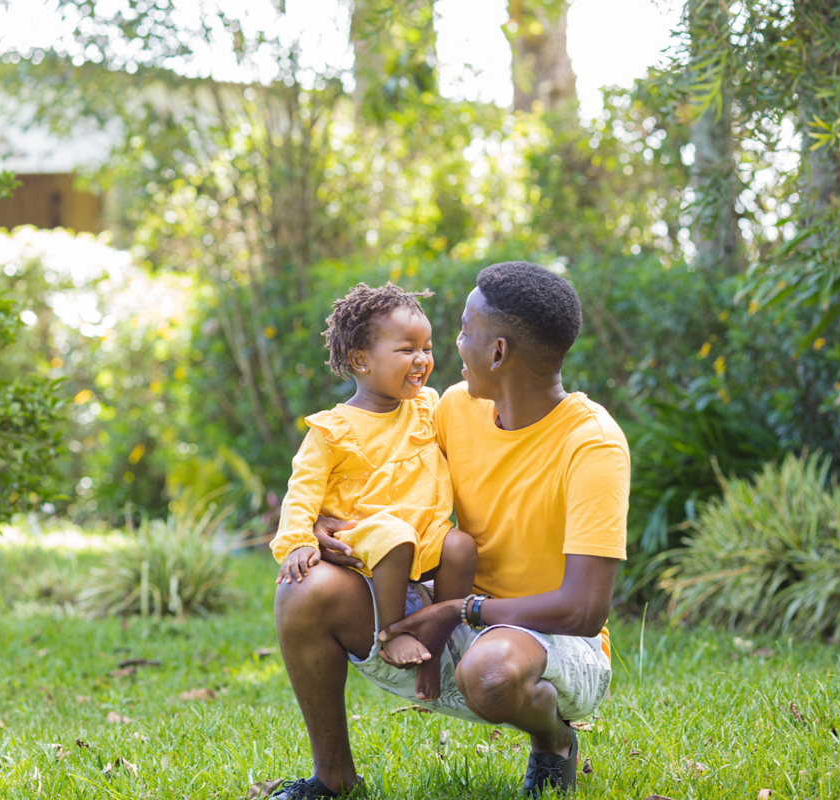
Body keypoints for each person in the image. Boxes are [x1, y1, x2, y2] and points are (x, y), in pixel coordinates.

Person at [269, 262, 629, 799]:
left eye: (462, 331)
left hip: (554, 646)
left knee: (491, 670)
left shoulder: (592, 444)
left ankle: (555, 742)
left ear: (498, 352)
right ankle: (333, 780)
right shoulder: (451, 410)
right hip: (453, 622)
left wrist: (460, 610)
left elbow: (583, 610)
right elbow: (379, 467)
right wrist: (322, 521)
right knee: (303, 592)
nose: (450, 347)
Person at [271, 282, 477, 705]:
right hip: (366, 534)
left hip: (424, 536)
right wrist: (298, 539)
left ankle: (436, 643)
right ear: (361, 360)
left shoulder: (427, 408)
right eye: (406, 350)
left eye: (427, 347)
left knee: (460, 545)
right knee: (394, 536)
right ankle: (392, 633)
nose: (422, 360)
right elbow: (303, 489)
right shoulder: (334, 428)